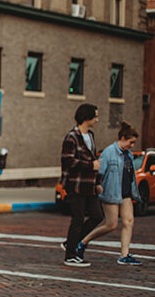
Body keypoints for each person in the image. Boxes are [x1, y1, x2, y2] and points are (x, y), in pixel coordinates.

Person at [75, 122, 143, 266]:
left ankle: (124, 255)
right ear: (123, 138)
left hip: (125, 193)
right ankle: (82, 242)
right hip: (111, 192)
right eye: (131, 142)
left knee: (128, 222)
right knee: (111, 225)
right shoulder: (109, 152)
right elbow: (99, 171)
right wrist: (98, 184)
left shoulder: (129, 155)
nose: (132, 145)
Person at [60, 103, 103, 267]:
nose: (97, 120)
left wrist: (97, 181)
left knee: (97, 215)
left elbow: (94, 160)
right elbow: (68, 161)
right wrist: (90, 166)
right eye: (95, 116)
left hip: (90, 184)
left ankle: (70, 242)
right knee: (77, 219)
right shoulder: (71, 137)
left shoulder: (90, 136)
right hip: (75, 184)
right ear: (87, 117)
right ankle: (70, 255)